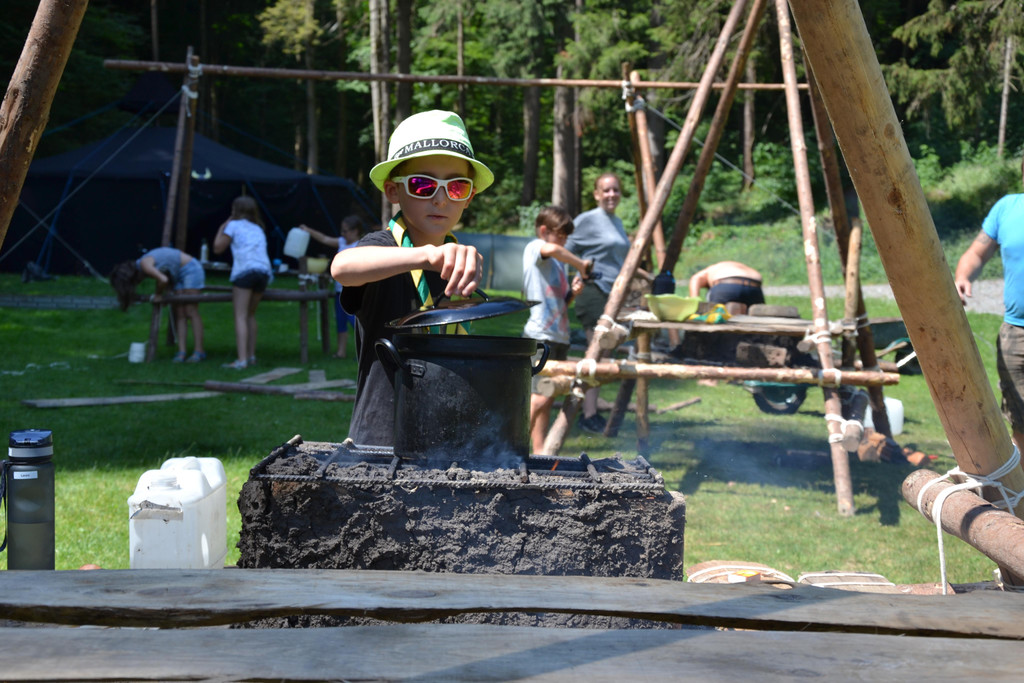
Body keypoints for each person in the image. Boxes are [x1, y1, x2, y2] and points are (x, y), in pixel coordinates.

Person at [332, 110, 491, 446]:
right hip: (382, 437)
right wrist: (425, 256)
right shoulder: (384, 245)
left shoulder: (456, 258)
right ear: (393, 191)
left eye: (457, 186)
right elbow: (343, 267)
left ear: (469, 196)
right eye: (423, 184)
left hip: (445, 432)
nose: (440, 198)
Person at [955, 158, 1024, 449]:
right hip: (1015, 337)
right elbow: (976, 254)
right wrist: (962, 276)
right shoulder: (1007, 208)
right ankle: (1017, 495)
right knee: (1020, 426)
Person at [523, 206, 593, 454]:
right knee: (539, 397)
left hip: (558, 336)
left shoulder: (558, 265)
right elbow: (551, 248)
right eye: (560, 235)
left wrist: (572, 293)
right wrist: (582, 264)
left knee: (548, 398)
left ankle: (539, 451)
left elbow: (560, 303)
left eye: (566, 237)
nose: (563, 241)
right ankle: (511, 449)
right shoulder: (535, 248)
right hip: (540, 336)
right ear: (544, 231)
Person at [566, 172, 630, 434]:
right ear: (596, 194)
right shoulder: (588, 220)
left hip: (612, 296)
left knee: (605, 354)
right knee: (597, 352)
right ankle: (587, 414)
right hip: (594, 291)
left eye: (615, 190)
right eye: (606, 190)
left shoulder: (617, 222)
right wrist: (579, 272)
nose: (611, 195)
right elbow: (564, 247)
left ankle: (588, 410)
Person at [109, 247, 206, 362]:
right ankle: (182, 351)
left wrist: (158, 295)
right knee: (180, 314)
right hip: (177, 274)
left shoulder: (145, 265)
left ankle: (199, 351)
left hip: (190, 269)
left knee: (190, 310)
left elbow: (163, 279)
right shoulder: (144, 265)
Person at [213, 195, 273, 370]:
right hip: (263, 272)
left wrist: (222, 226)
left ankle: (241, 360)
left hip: (245, 271)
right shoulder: (258, 228)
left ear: (235, 210)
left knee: (240, 315)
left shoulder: (232, 225)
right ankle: (251, 356)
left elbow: (217, 247)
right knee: (250, 315)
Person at [301, 215, 369, 358]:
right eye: (342, 231)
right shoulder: (342, 242)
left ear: (355, 231)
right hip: (339, 291)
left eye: (346, 231)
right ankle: (341, 352)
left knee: (355, 321)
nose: (343, 234)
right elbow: (324, 238)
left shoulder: (361, 245)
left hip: (354, 291)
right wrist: (308, 230)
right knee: (340, 321)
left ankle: (367, 348)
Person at [688, 260, 765, 314]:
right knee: (757, 317)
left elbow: (695, 278)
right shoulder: (738, 266)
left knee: (715, 316)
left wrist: (694, 303)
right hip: (754, 285)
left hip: (726, 282)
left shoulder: (710, 269)